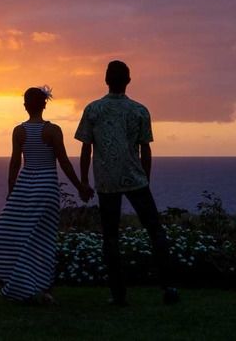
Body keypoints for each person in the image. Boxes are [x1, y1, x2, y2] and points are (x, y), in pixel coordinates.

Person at [75, 60, 179, 306]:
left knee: (110, 237)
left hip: (106, 181)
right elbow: (145, 149)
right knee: (155, 230)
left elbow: (86, 148)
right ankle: (169, 287)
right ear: (128, 81)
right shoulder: (140, 110)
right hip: (136, 179)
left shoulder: (93, 109)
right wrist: (146, 179)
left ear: (106, 80)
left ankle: (118, 294)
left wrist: (83, 181)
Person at [0, 86, 94, 303]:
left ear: (25, 105)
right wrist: (80, 186)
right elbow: (63, 162)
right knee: (43, 241)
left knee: (20, 237)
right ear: (44, 104)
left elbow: (15, 162)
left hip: (24, 188)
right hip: (46, 190)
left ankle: (24, 285)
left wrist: (10, 190)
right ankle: (39, 287)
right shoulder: (53, 130)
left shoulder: (19, 131)